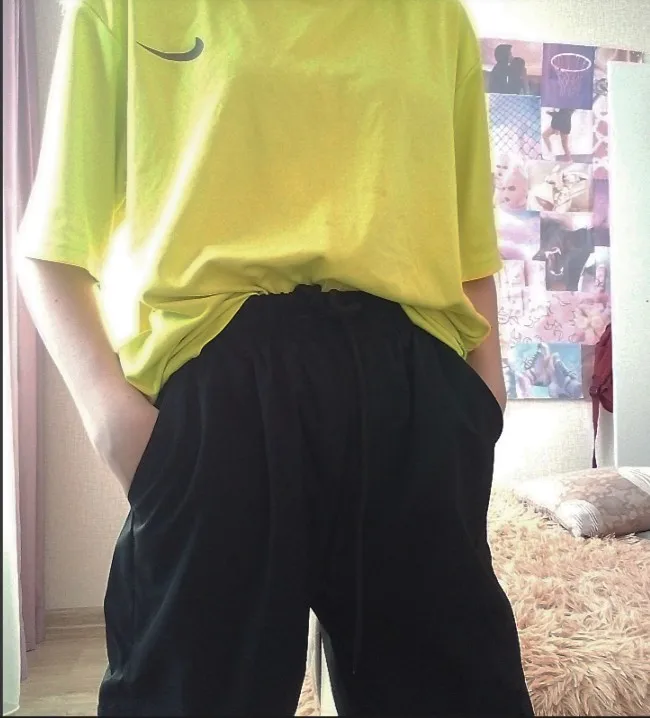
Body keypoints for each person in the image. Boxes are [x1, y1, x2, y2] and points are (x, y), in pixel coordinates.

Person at [18, 1, 534, 716]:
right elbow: (50, 246)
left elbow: (471, 249)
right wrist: (115, 423)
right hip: (222, 396)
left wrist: (483, 398)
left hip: (413, 395)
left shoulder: (435, 18)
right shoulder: (121, 8)